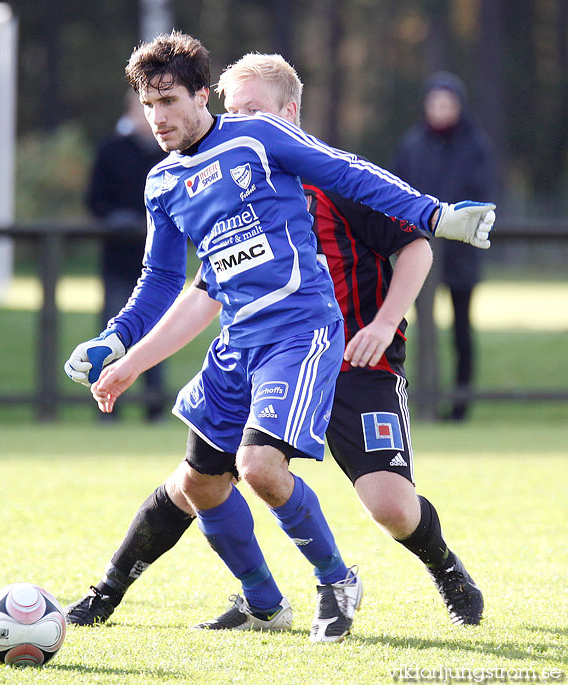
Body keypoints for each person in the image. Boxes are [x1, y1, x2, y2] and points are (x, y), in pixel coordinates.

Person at [64, 34, 493, 641]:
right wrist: (118, 345)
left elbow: (369, 190)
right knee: (198, 482)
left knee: (346, 493)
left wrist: (434, 215)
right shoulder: (165, 182)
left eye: (168, 101)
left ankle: (368, 576)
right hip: (244, 347)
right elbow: (171, 280)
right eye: (147, 105)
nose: (156, 117)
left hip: (326, 346)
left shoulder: (270, 147)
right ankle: (259, 602)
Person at [393, 72, 496, 421]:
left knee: (462, 330)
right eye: (435, 103)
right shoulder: (413, 144)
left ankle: (460, 405)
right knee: (420, 331)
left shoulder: (474, 145)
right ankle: (422, 403)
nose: (441, 110)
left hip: (462, 254)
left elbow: (483, 193)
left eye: (447, 104)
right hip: (420, 249)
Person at [86, 90, 168, 420]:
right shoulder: (111, 150)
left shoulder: (169, 155)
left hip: (161, 263)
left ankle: (154, 408)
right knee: (114, 330)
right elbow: (95, 200)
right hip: (119, 258)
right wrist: (116, 219)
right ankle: (106, 407)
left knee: (159, 332)